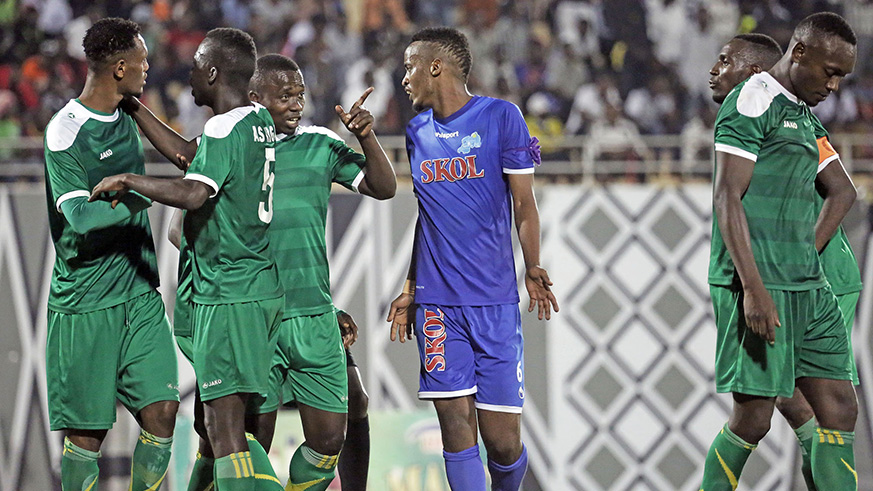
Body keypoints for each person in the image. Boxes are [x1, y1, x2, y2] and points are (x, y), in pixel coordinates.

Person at [90, 27, 286, 491]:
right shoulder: (256, 120)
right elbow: (188, 156)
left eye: (197, 65)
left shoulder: (223, 126)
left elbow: (195, 191)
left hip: (225, 295)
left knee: (224, 429)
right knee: (221, 424)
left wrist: (132, 180)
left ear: (213, 72)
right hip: (257, 292)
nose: (189, 73)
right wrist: (136, 108)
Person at [387, 27, 559, 490]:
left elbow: (524, 204)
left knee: (502, 443)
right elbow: (428, 217)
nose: (404, 78)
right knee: (456, 427)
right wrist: (409, 288)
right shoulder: (415, 132)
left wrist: (533, 266)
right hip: (437, 306)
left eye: (410, 66)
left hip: (495, 302)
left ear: (436, 67)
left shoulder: (502, 117)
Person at [702, 12, 859, 490]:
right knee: (753, 417)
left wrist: (806, 255)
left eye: (843, 77)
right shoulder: (752, 100)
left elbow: (842, 189)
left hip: (809, 288)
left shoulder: (802, 114)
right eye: (830, 71)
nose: (834, 85)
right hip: (763, 285)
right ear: (800, 53)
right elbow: (727, 195)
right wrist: (753, 287)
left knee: (839, 407)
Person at [246, 53, 395, 490]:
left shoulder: (319, 144)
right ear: (256, 99)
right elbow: (181, 230)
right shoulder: (235, 146)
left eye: (300, 95)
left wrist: (366, 136)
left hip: (313, 310)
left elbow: (383, 187)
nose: (296, 104)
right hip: (258, 315)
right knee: (256, 438)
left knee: (348, 412)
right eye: (285, 96)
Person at [42, 17, 179, 490]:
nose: (149, 67)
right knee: (88, 434)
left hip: (139, 292)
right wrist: (145, 194)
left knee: (163, 413)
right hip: (84, 302)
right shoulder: (64, 132)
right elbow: (80, 218)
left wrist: (150, 183)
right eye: (143, 60)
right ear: (120, 67)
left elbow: (184, 156)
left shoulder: (130, 110)